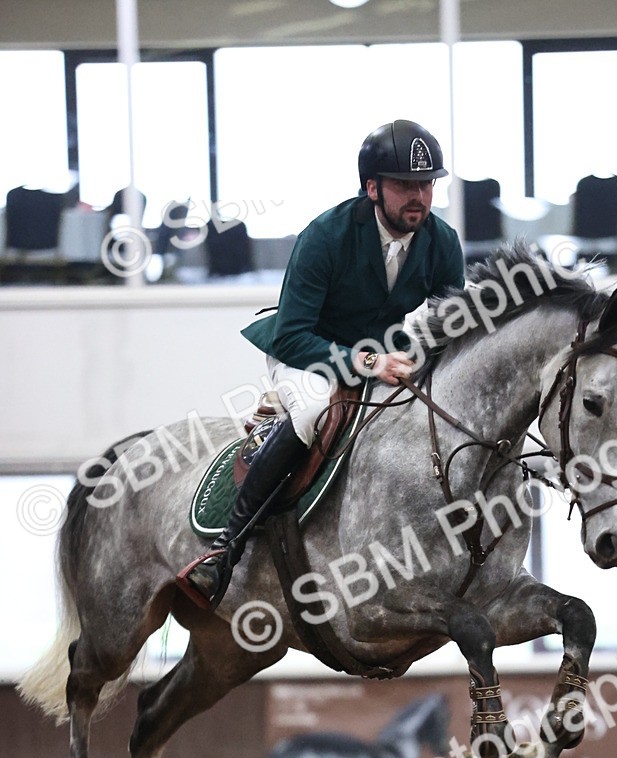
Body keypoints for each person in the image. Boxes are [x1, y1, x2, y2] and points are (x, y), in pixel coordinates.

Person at [179, 118, 465, 609]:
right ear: (372, 187)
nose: (418, 196)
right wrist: (369, 361)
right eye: (404, 185)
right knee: (313, 413)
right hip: (305, 350)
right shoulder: (325, 236)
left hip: (380, 354)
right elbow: (293, 334)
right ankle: (224, 549)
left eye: (426, 184)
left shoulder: (442, 241)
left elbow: (452, 326)